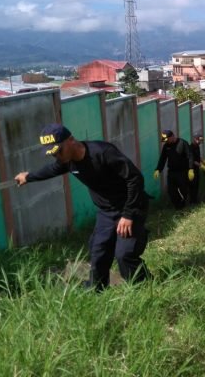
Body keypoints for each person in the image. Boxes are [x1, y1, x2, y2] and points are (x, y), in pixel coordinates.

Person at [14, 124, 150, 291]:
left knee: (125, 255)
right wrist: (28, 177)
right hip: (107, 212)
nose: (56, 156)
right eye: (53, 153)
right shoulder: (66, 161)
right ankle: (97, 289)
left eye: (58, 151)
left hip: (131, 206)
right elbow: (50, 170)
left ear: (71, 140)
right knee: (98, 251)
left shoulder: (102, 152)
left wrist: (128, 215)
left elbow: (135, 179)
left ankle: (144, 287)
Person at [154, 130, 194, 209]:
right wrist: (158, 169)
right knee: (171, 191)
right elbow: (163, 158)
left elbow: (190, 156)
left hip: (182, 172)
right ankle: (178, 207)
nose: (166, 142)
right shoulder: (166, 146)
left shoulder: (182, 143)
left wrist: (191, 169)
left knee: (184, 189)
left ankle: (186, 205)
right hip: (172, 172)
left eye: (167, 139)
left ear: (172, 136)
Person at [189, 134, 204, 204]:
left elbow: (197, 156)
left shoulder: (197, 146)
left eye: (201, 141)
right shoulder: (190, 147)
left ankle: (195, 199)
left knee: (197, 184)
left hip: (197, 168)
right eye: (199, 140)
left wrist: (203, 161)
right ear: (195, 139)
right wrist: (201, 165)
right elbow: (192, 160)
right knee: (193, 185)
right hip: (191, 169)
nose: (200, 142)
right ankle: (192, 201)